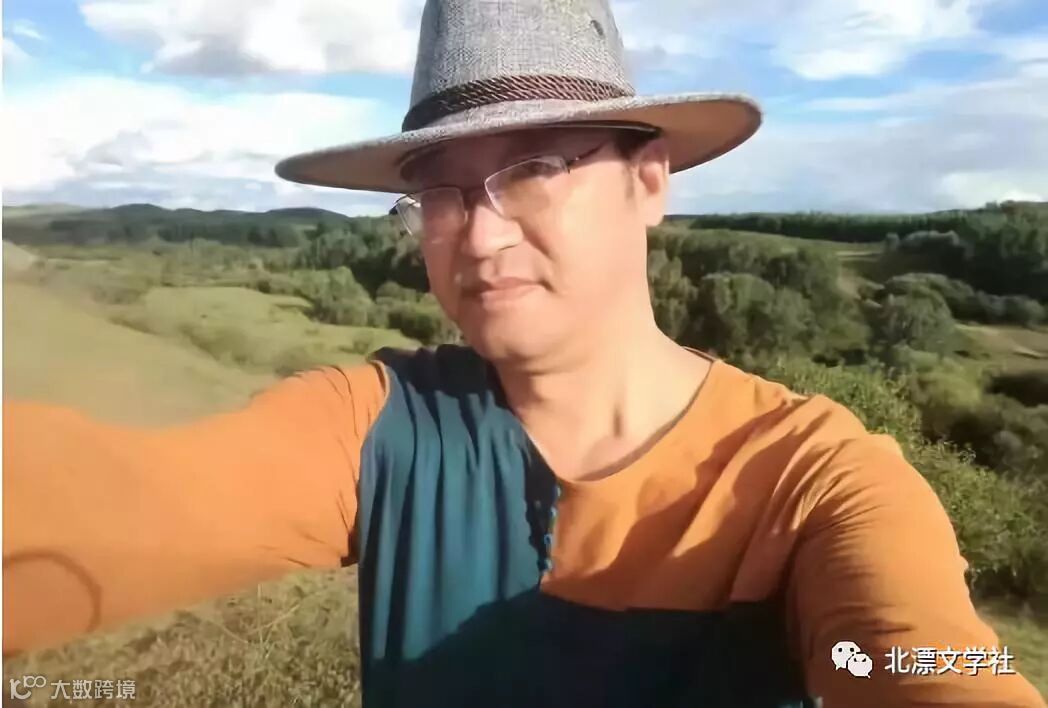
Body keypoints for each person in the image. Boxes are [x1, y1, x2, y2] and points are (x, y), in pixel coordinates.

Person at [3, 1, 1044, 707]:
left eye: (536, 167)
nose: (480, 235)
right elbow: (104, 504)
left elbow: (916, 658)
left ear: (648, 181)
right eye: (441, 191)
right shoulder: (379, 430)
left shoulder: (810, 479)